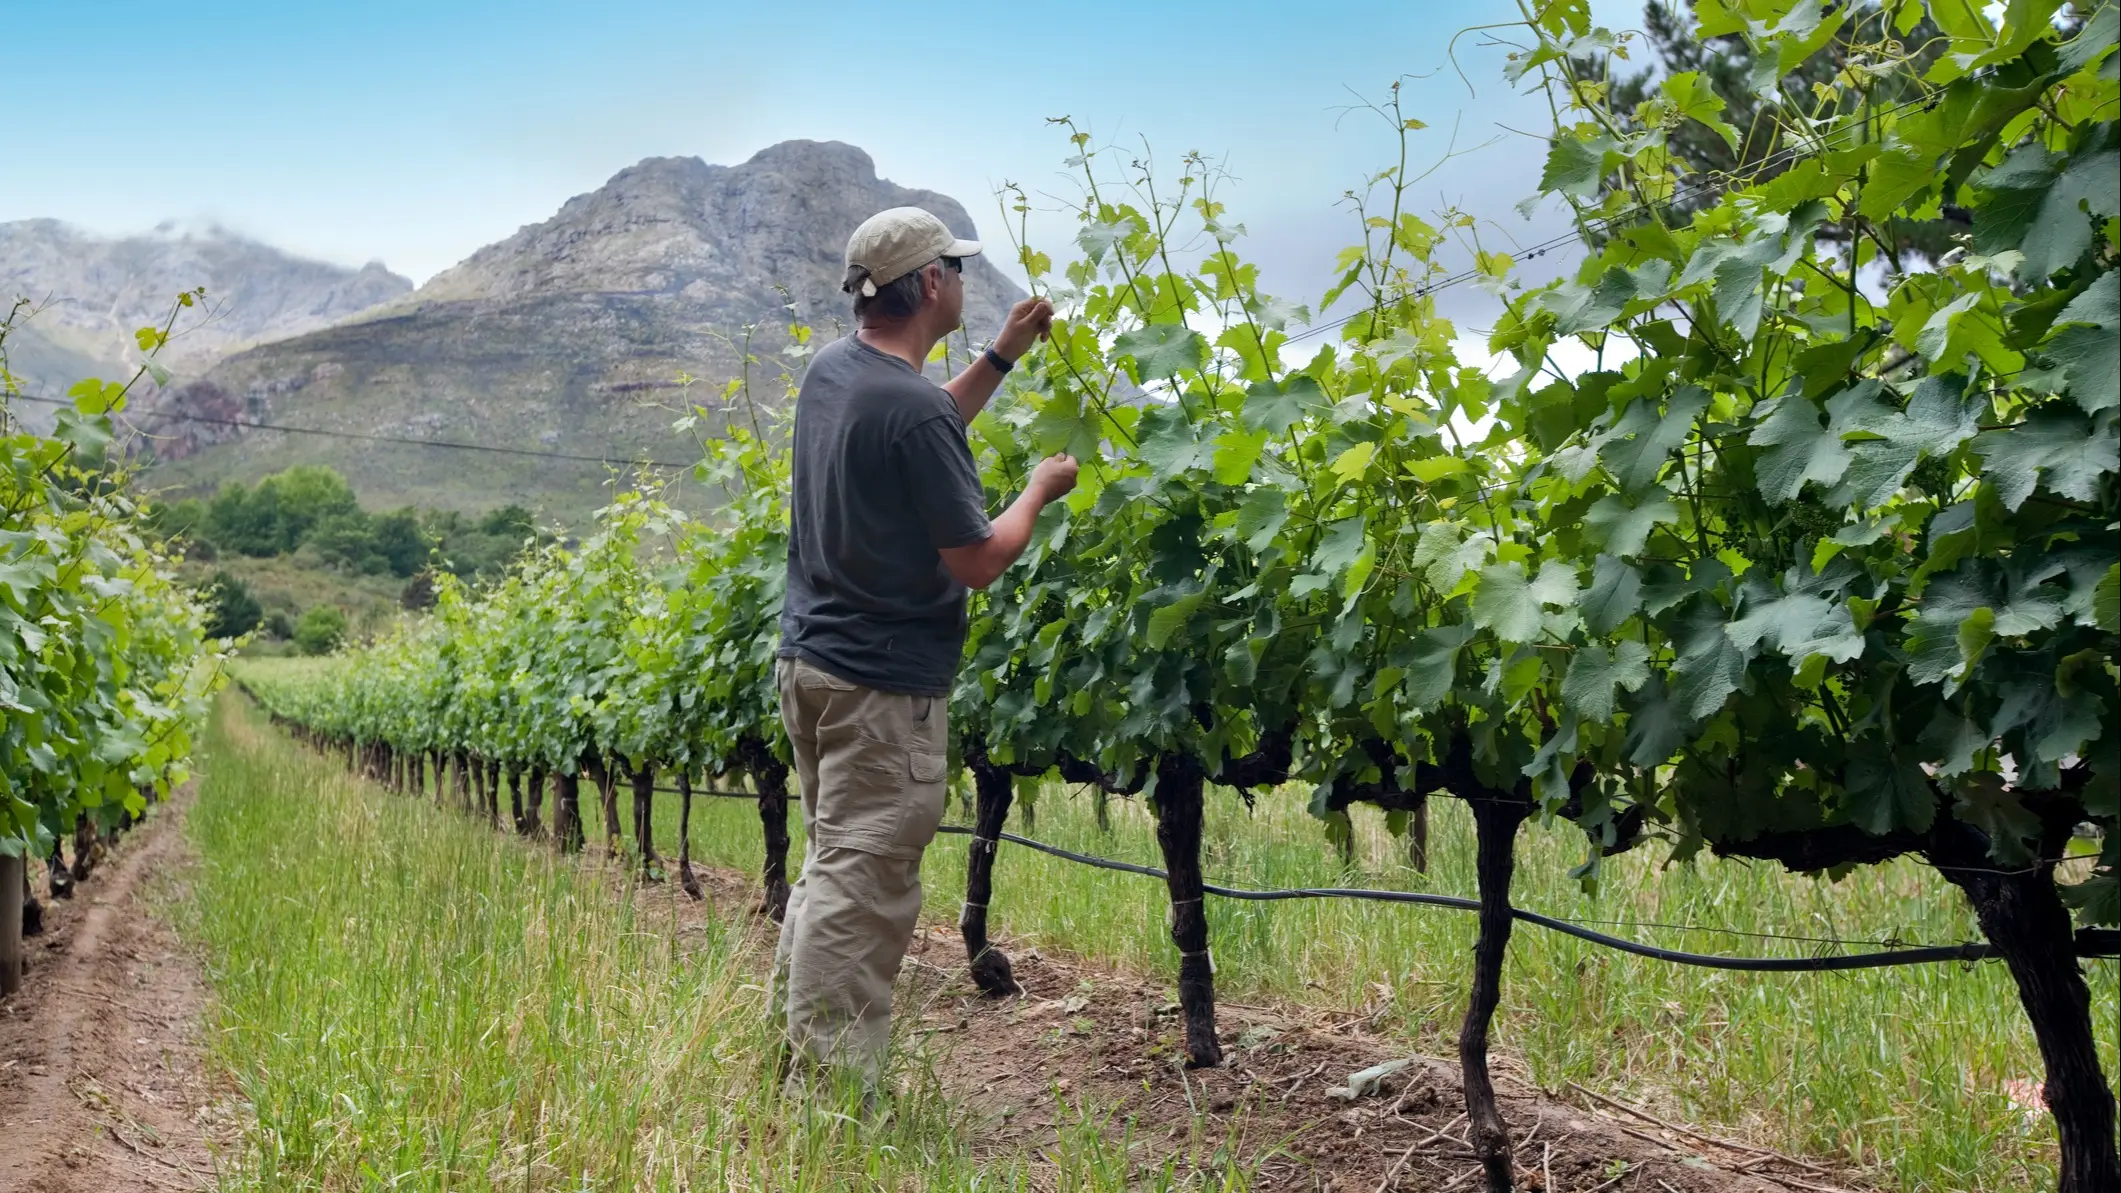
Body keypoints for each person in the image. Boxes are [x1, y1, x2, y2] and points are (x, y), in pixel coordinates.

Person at [771, 206, 1079, 1101]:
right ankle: (829, 1098)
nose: (962, 277)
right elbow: (978, 559)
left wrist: (1002, 355)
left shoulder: (840, 372)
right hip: (880, 687)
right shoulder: (905, 408)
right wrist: (1037, 489)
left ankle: (794, 1065)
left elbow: (928, 419)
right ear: (932, 285)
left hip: (814, 665)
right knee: (861, 884)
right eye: (954, 265)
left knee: (832, 864)